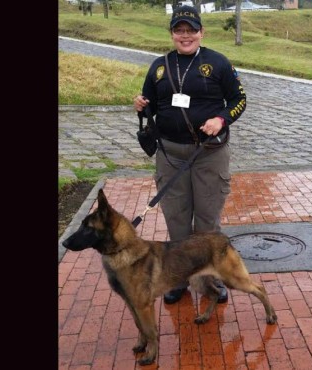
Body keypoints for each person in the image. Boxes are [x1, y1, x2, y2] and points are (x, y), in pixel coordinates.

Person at [133, 5, 247, 304]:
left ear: (201, 32)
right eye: (179, 30)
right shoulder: (159, 66)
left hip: (208, 153)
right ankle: (179, 279)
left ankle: (211, 279)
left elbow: (239, 99)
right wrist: (142, 105)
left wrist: (221, 119)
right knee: (177, 220)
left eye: (191, 30)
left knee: (207, 222)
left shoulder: (218, 63)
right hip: (170, 154)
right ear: (172, 33)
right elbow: (152, 104)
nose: (185, 36)